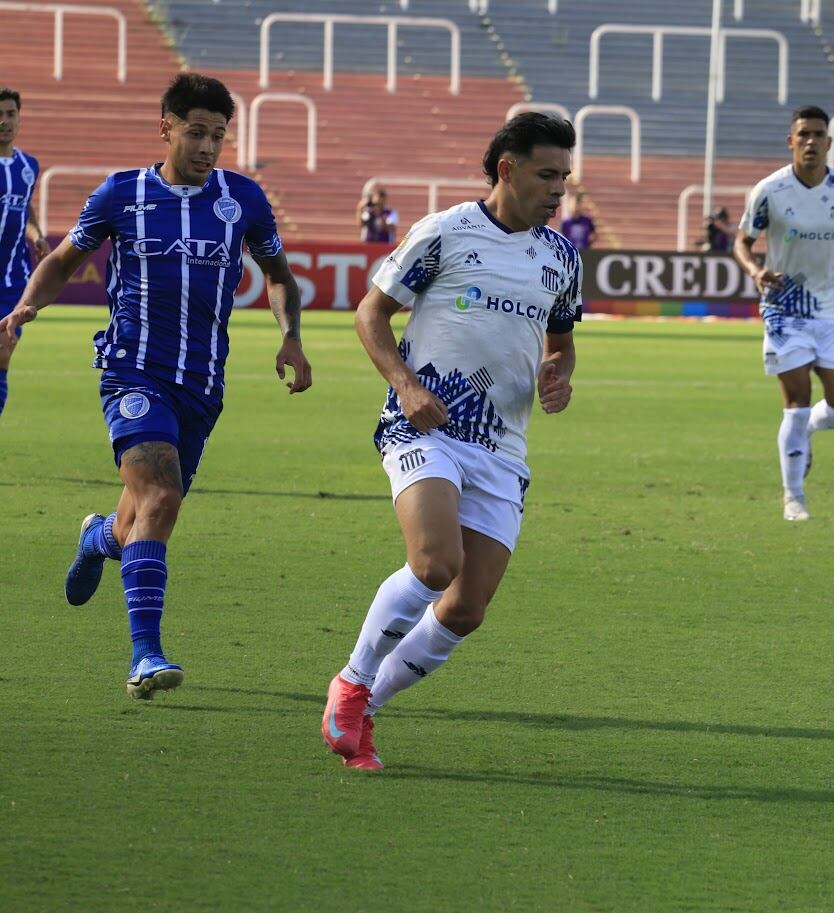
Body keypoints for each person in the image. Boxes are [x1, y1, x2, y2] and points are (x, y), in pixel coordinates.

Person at [0, 74, 313, 699]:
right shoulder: (122, 194)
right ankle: (146, 655)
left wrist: (290, 335)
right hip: (131, 370)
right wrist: (23, 310)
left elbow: (278, 275)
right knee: (163, 499)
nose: (207, 147)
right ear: (165, 126)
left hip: (203, 381)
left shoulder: (243, 200)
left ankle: (97, 538)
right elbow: (62, 259)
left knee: (143, 515)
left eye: (219, 136)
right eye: (196, 132)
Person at [322, 112, 582, 770]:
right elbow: (370, 313)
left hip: (502, 448)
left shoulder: (560, 256)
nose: (559, 190)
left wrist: (559, 375)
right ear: (507, 168)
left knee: (465, 609)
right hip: (425, 425)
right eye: (547, 174)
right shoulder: (445, 232)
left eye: (565, 177)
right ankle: (351, 682)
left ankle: (368, 709)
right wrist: (405, 385)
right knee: (435, 562)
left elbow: (562, 342)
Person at [734, 105, 834, 521]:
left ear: (829, 142)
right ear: (791, 141)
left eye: (819, 135)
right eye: (804, 135)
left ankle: (809, 432)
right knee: (796, 402)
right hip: (785, 309)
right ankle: (793, 495)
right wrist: (755, 270)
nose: (811, 142)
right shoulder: (770, 190)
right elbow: (742, 242)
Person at [0, 87, 51, 417]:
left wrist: (37, 235)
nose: (4, 121)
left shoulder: (28, 166)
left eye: (10, 114)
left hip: (11, 281)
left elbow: (26, 208)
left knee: (3, 355)